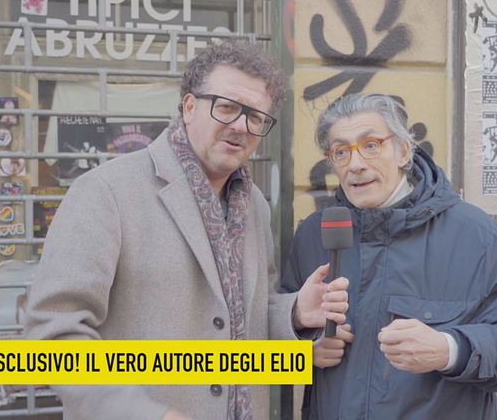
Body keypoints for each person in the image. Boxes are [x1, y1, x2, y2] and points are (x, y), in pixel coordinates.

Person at [23, 40, 349, 420]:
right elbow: (52, 334)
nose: (240, 126)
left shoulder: (255, 206)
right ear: (190, 107)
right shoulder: (105, 191)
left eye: (256, 117)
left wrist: (294, 313)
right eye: (226, 107)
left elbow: (244, 318)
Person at [280, 93, 497, 419]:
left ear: (403, 151)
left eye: (371, 145)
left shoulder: (474, 235)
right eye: (341, 152)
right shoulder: (314, 234)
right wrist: (303, 354)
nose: (355, 164)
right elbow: (265, 347)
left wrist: (450, 351)